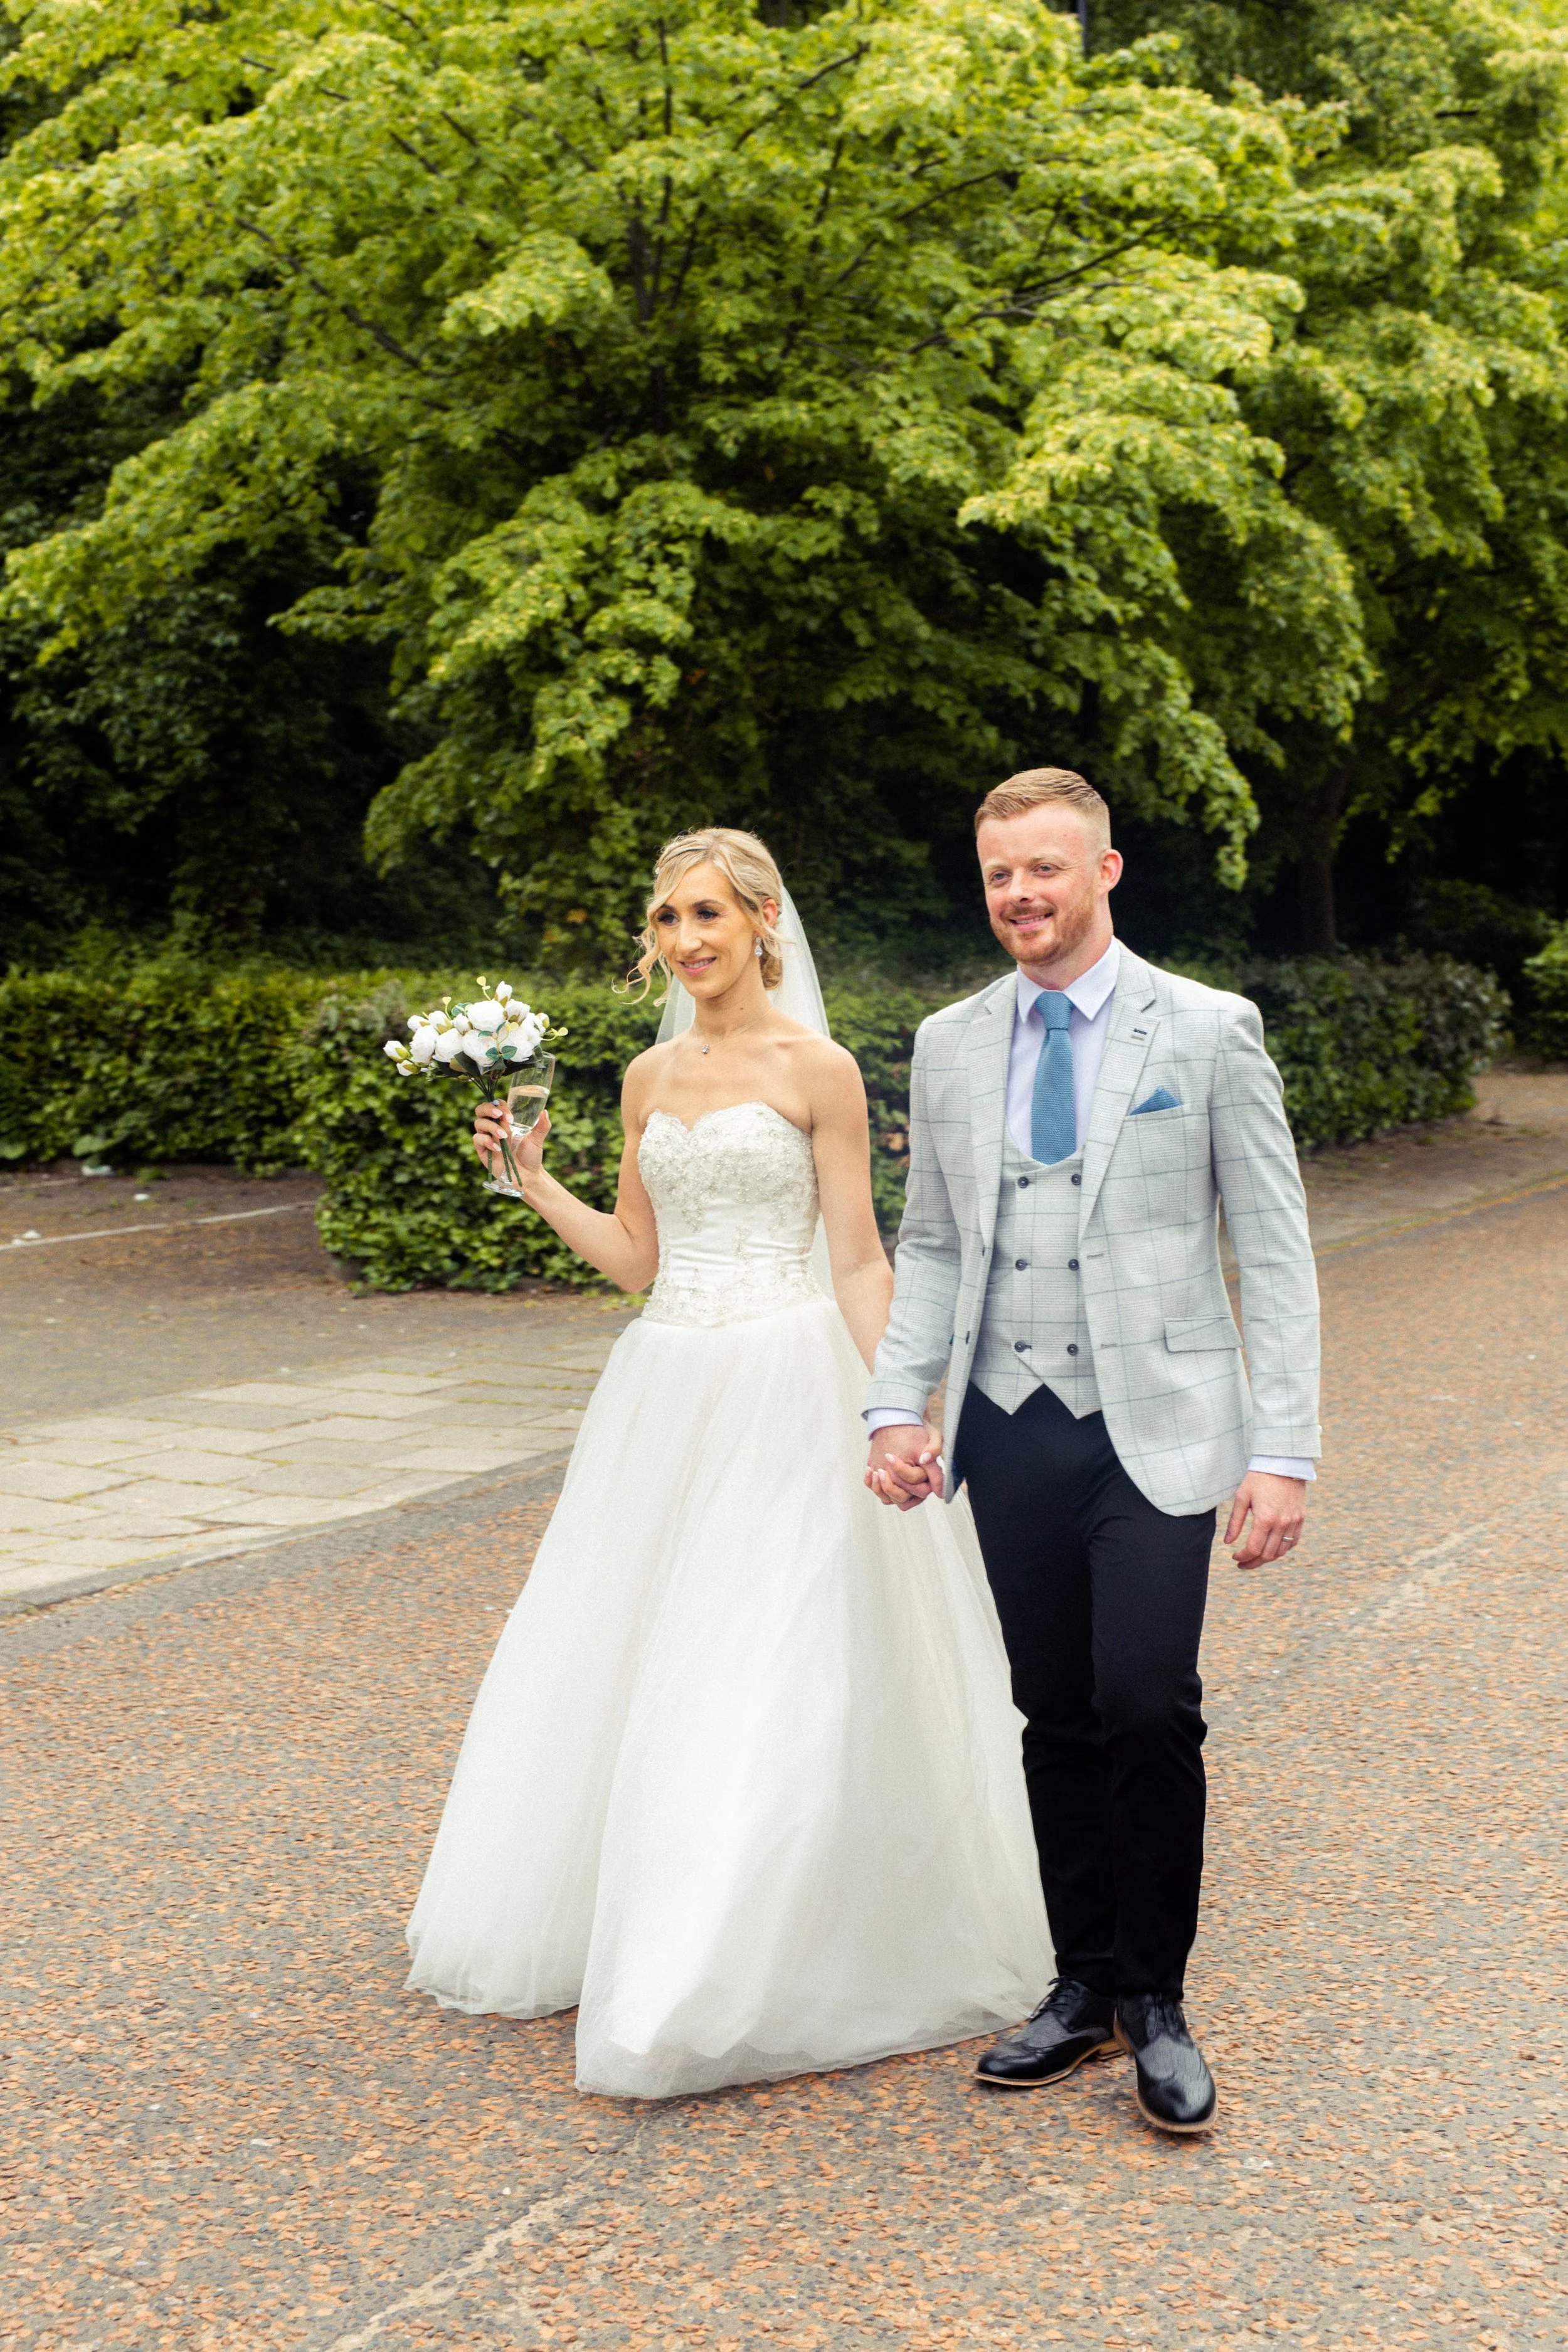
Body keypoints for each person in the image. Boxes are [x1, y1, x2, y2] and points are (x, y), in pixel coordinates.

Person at [405, 827, 1051, 2099]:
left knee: (761, 1658)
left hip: (789, 1384)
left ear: (763, 921)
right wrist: (533, 1182)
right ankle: (642, 1925)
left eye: (707, 914)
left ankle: (706, 1970)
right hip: (665, 1387)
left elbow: (858, 1258)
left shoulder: (820, 1070)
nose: (686, 939)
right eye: (666, 918)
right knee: (634, 1652)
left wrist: (899, 1403)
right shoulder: (646, 1077)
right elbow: (638, 1258)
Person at [865, 768, 1320, 2136]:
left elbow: (1273, 1250)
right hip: (1008, 1424)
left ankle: (1157, 2001)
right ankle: (1080, 1986)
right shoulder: (948, 1042)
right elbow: (930, 1240)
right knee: (1052, 1709)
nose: (1021, 895)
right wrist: (896, 1403)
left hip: (1160, 1425)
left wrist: (1284, 1447)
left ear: (1104, 871)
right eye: (1000, 874)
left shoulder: (1209, 1029)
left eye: (1045, 868)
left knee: (1145, 1702)